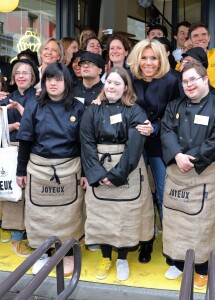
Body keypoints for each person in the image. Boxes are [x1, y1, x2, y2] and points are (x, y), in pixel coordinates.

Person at [160, 61, 215, 289]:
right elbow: (167, 130)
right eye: (185, 81)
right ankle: (177, 260)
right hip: (178, 169)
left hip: (205, 171)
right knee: (176, 219)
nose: (189, 85)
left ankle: (202, 266)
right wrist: (177, 155)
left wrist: (191, 158)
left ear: (205, 80)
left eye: (193, 79)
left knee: (204, 222)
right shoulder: (174, 106)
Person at [81, 67, 153, 281]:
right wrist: (98, 172)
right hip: (99, 168)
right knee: (102, 216)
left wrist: (116, 175)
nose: (112, 87)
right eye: (109, 82)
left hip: (127, 169)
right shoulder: (93, 110)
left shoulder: (135, 110)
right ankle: (106, 257)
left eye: (117, 84)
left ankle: (122, 258)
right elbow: (86, 142)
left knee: (126, 216)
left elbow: (135, 144)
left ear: (125, 88)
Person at [16, 62, 86, 277]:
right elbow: (25, 139)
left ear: (66, 81)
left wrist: (85, 173)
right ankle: (43, 252)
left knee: (69, 215)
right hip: (39, 167)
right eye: (49, 79)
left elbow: (84, 143)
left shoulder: (77, 107)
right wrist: (20, 170)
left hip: (68, 168)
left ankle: (68, 253)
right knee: (39, 215)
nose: (53, 83)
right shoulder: (35, 105)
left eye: (58, 79)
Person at [127, 39, 181, 263]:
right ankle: (145, 240)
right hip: (135, 143)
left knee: (162, 193)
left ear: (161, 59)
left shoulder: (171, 81)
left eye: (154, 58)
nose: (148, 62)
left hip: (160, 144)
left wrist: (155, 127)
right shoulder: (129, 78)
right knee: (138, 193)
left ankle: (170, 243)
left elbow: (176, 114)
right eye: (144, 57)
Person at [0, 59, 39, 258]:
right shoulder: (6, 99)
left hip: (35, 152)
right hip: (12, 150)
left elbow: (39, 126)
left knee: (34, 196)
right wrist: (13, 127)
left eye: (26, 72)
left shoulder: (40, 97)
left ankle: (34, 235)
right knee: (14, 195)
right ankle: (16, 237)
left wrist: (21, 114)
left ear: (33, 77)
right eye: (18, 73)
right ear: (13, 77)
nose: (22, 76)